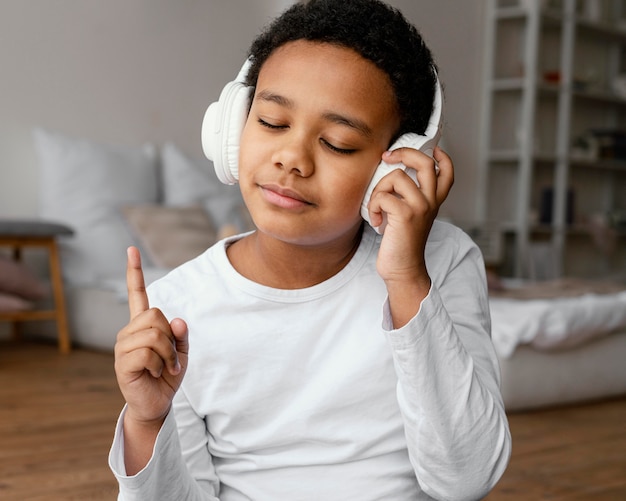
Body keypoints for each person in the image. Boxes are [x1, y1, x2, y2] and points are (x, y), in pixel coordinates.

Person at [109, 0, 511, 499]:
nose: (291, 159)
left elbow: (465, 478)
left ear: (399, 168)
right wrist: (148, 424)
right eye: (273, 122)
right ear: (233, 125)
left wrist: (407, 281)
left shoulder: (443, 262)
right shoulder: (178, 309)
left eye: (338, 143)